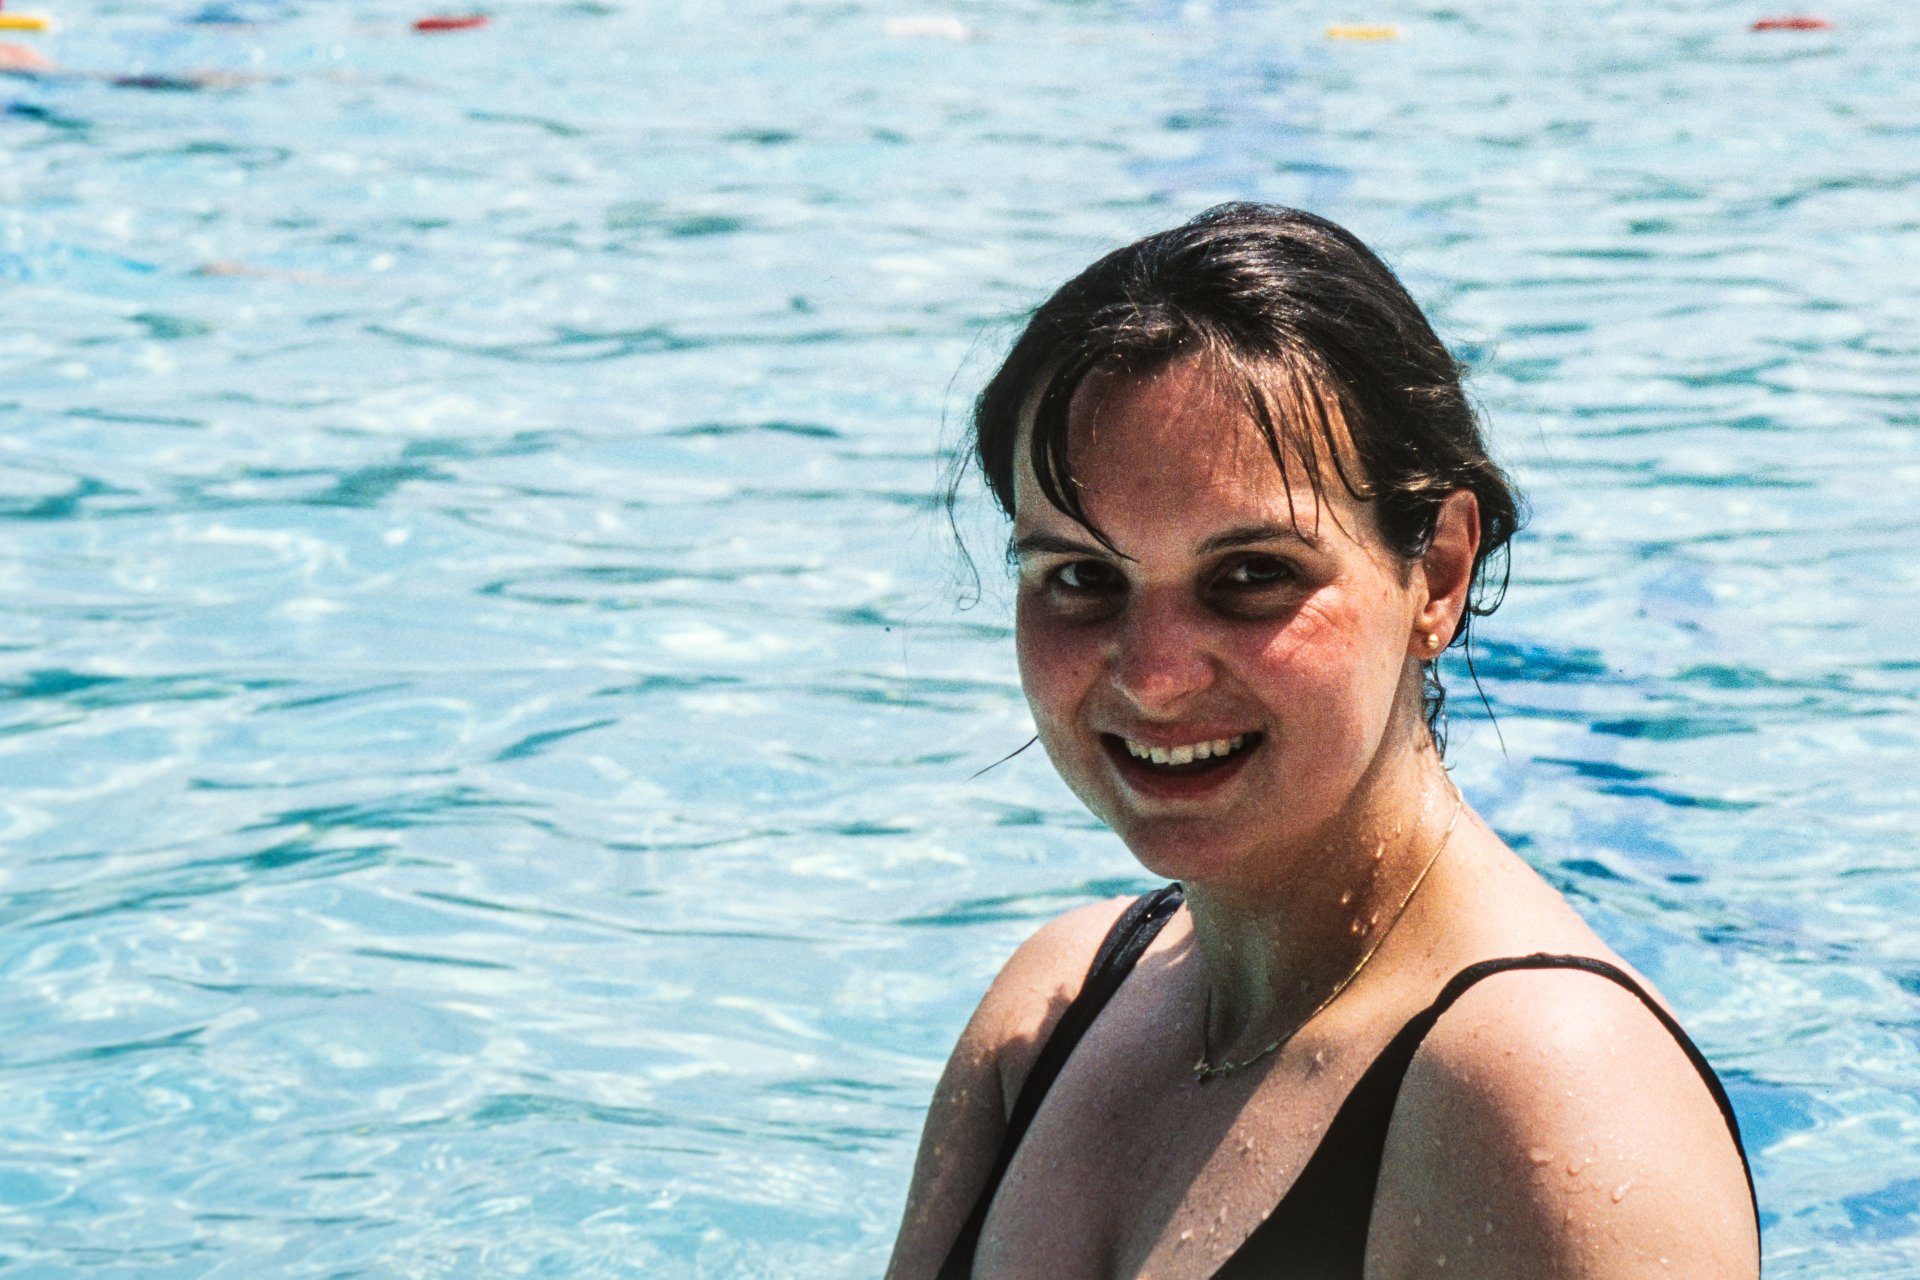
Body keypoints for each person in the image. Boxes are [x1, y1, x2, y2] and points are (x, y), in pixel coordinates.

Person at [887, 204, 1760, 1280]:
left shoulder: (1549, 1089)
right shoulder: (1052, 1010)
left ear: (1437, 573)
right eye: (1080, 575)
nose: (1153, 674)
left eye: (1253, 574)